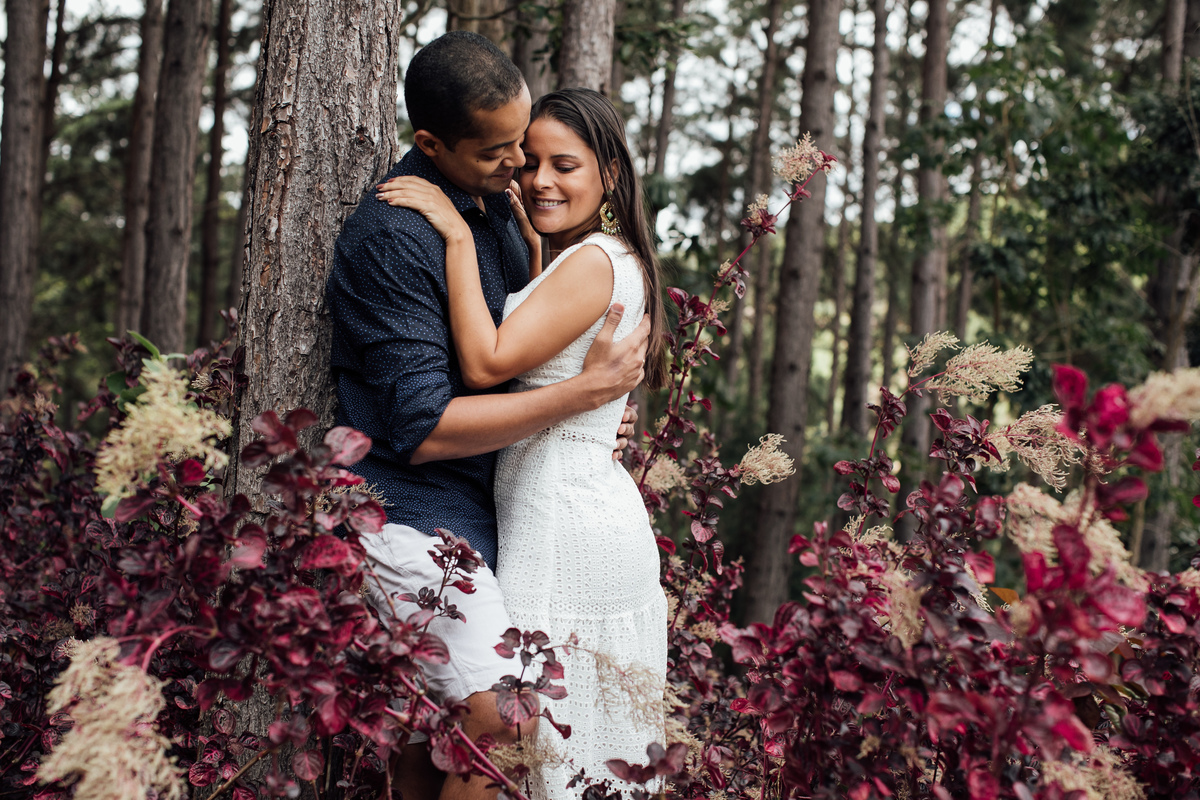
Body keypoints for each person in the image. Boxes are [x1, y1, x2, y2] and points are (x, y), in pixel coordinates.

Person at [325, 33, 648, 800]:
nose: (522, 170)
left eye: (528, 146)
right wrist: (575, 401)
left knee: (428, 734)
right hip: (412, 511)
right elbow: (427, 428)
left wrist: (585, 417)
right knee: (504, 713)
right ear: (432, 144)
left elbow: (521, 361)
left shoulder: (496, 211)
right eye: (501, 151)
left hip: (499, 513)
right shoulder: (397, 235)